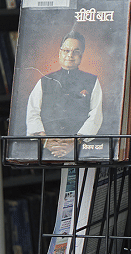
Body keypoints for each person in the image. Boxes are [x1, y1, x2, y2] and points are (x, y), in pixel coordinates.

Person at [25, 30, 103, 159]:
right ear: (60, 53)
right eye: (66, 50)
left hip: (81, 150)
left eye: (76, 51)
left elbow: (96, 116)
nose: (70, 55)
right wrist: (46, 141)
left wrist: (75, 142)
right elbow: (32, 113)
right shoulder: (44, 81)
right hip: (45, 150)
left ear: (81, 55)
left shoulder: (93, 81)